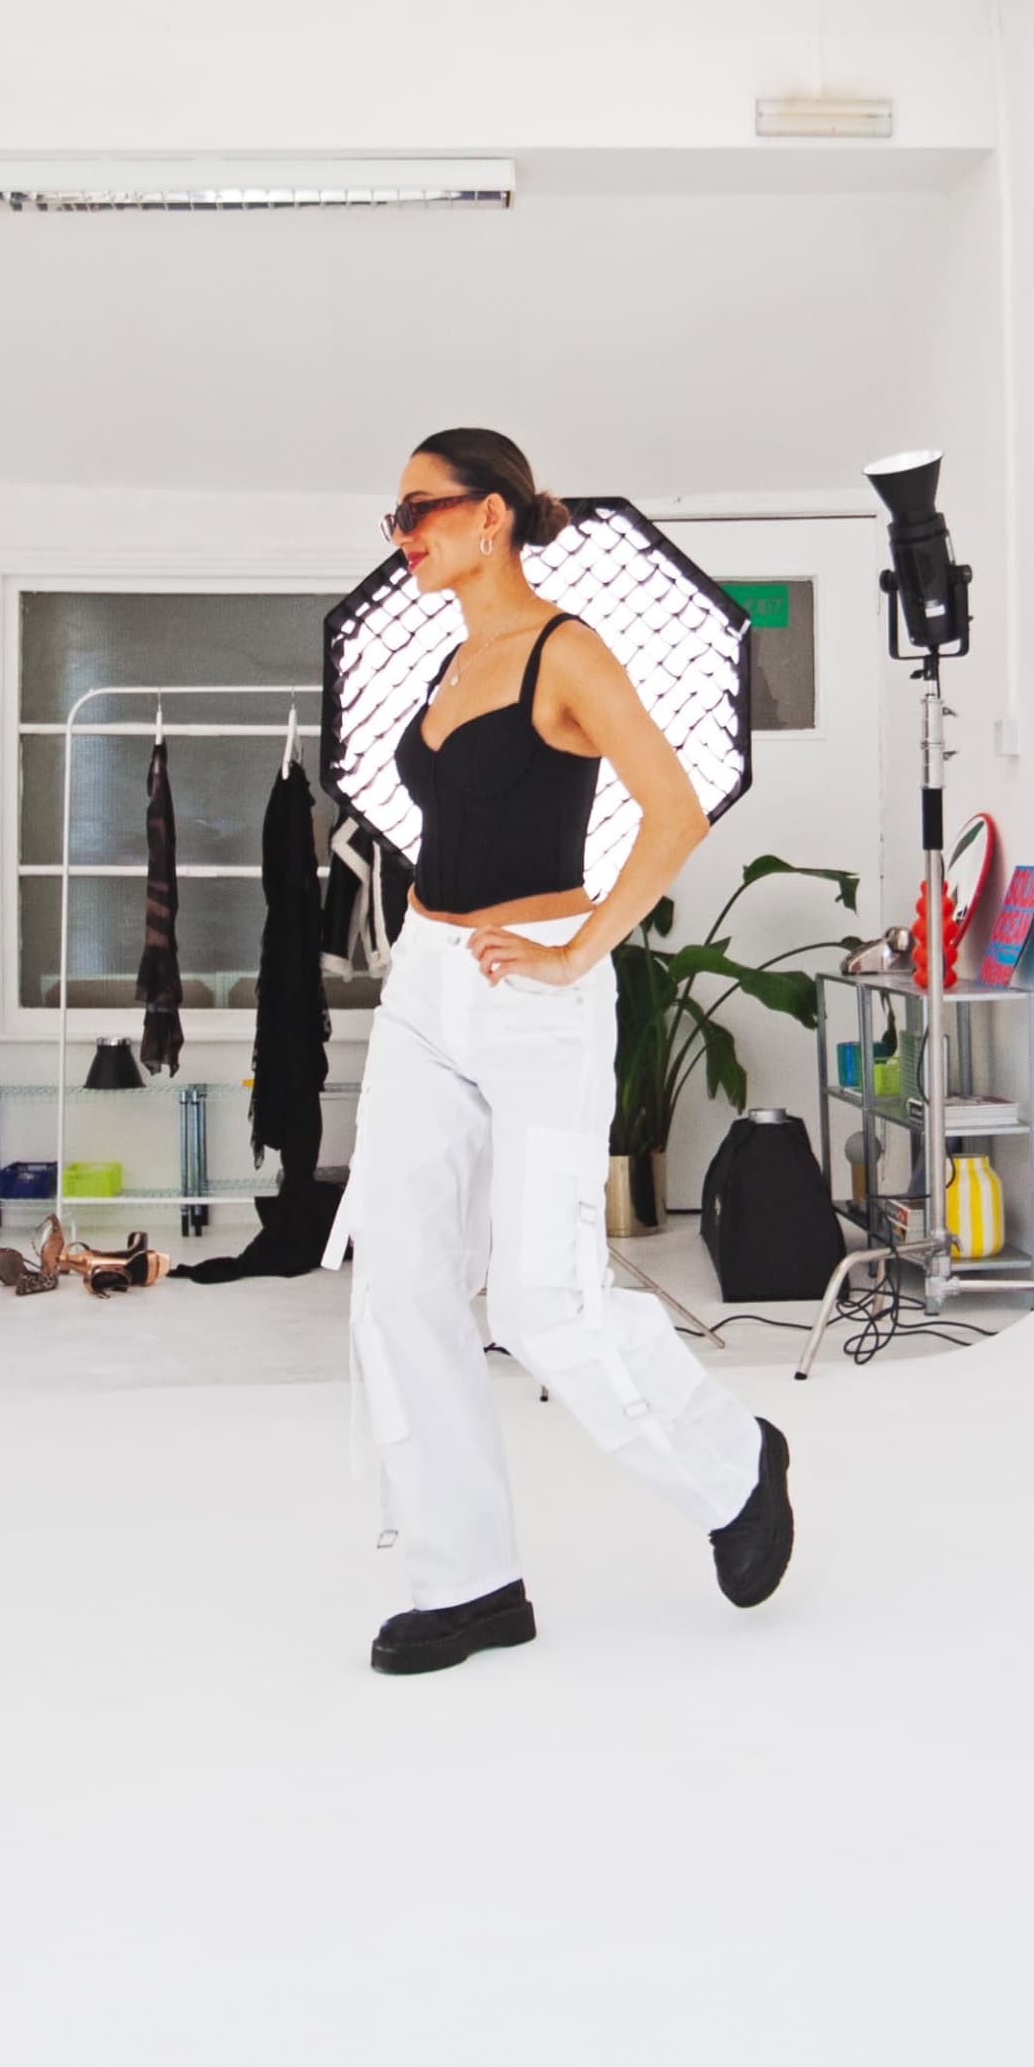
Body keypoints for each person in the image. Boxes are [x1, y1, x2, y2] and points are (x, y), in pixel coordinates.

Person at [341, 428, 796, 1675]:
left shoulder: (565, 649)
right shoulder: (449, 657)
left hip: (533, 987)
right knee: (401, 1285)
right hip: (429, 989)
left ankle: (733, 1461)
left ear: (491, 514)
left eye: (421, 509)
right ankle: (468, 1578)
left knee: (543, 1297)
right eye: (395, 517)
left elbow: (674, 807)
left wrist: (579, 948)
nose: (404, 533)